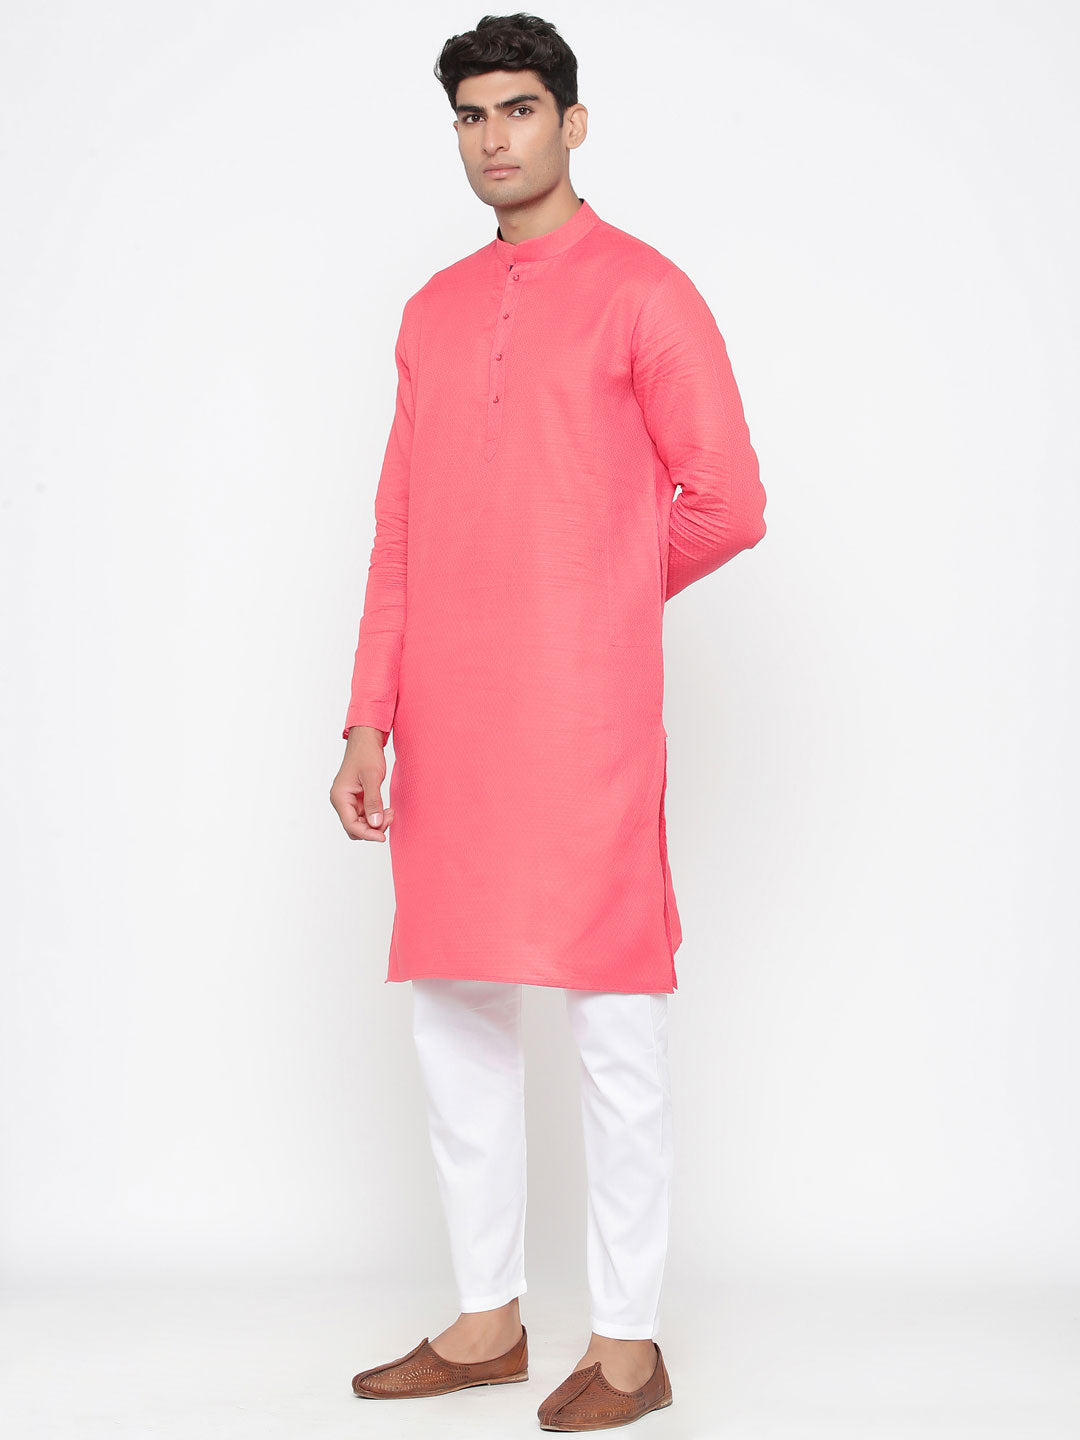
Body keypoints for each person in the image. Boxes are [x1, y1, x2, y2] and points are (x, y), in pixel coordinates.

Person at [329, 12, 766, 1431]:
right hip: (448, 721)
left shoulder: (646, 292)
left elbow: (728, 501)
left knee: (614, 1021)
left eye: (518, 108)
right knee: (454, 1008)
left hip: (585, 716)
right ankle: (488, 1320)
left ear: (573, 122)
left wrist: (593, 589)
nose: (493, 137)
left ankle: (628, 1346)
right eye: (471, 115)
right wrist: (367, 718)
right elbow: (399, 528)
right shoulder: (432, 312)